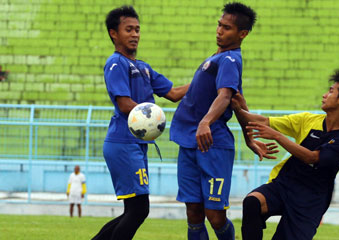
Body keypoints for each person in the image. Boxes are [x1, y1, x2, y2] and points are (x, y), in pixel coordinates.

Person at [232, 70, 339, 240]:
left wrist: (277, 136)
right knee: (252, 202)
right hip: (284, 184)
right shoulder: (307, 120)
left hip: (310, 201)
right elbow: (261, 122)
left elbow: (312, 158)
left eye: (331, 91)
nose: (325, 95)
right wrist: (237, 106)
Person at [169, 3, 266, 240]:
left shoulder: (231, 60)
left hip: (213, 144)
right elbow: (238, 101)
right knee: (193, 210)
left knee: (214, 214)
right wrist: (249, 137)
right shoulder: (218, 56)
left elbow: (225, 96)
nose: (219, 31)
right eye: (219, 25)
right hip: (191, 141)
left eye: (227, 28)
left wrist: (205, 122)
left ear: (242, 34)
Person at [92, 5, 189, 240]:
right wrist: (150, 115)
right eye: (129, 29)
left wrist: (206, 79)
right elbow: (125, 104)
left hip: (136, 144)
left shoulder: (143, 67)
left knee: (133, 210)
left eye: (137, 29)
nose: (135, 34)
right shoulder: (116, 63)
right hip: (122, 142)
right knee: (139, 210)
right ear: (114, 33)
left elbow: (174, 93)